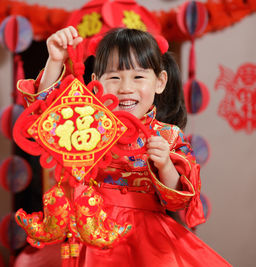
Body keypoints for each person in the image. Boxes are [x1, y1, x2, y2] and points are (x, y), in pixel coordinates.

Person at [17, 26, 231, 266]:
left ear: (160, 82)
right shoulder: (87, 127)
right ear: (96, 83)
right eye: (114, 77)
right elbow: (48, 118)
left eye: (138, 77)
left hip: (148, 237)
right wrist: (55, 60)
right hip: (93, 230)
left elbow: (179, 200)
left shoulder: (169, 135)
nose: (126, 87)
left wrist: (165, 166)